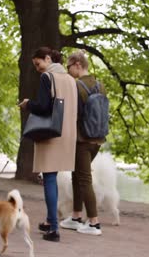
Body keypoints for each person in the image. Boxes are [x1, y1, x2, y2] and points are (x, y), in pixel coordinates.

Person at [19, 47, 77, 242]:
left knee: (49, 179)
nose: (37, 69)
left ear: (47, 58)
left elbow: (43, 107)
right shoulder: (70, 79)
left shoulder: (47, 78)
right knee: (53, 177)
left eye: (38, 64)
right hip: (67, 134)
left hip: (51, 134)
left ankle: (53, 228)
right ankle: (50, 220)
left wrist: (28, 103)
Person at [59, 50, 107, 236]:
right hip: (97, 139)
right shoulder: (100, 85)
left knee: (84, 179)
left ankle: (94, 223)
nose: (68, 70)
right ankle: (76, 216)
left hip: (81, 140)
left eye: (69, 66)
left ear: (78, 64)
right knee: (77, 175)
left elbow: (72, 115)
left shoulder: (76, 86)